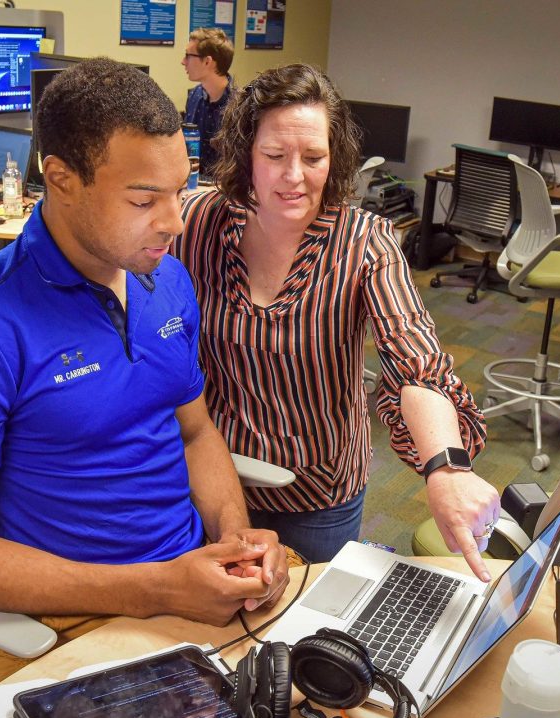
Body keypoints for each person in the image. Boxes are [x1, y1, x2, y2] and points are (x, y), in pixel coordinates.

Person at [0, 58, 289, 686]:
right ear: (61, 179)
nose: (175, 222)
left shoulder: (166, 278)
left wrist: (236, 542)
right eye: (144, 200)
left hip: (193, 580)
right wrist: (154, 588)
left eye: (180, 191)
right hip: (76, 615)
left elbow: (194, 433)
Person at [172, 63, 500, 580]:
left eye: (313, 157)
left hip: (317, 492)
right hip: (212, 475)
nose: (294, 176)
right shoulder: (198, 221)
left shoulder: (364, 242)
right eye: (274, 156)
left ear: (335, 157)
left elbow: (415, 364)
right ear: (246, 153)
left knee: (307, 618)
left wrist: (447, 467)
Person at [182, 27, 235, 176]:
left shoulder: (237, 104)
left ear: (207, 61)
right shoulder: (194, 96)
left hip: (223, 185)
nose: (183, 62)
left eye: (188, 56)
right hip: (194, 182)